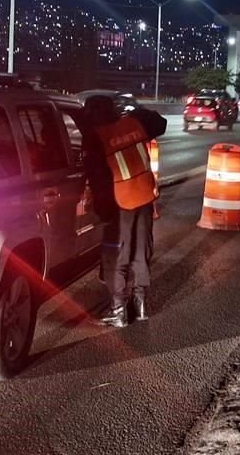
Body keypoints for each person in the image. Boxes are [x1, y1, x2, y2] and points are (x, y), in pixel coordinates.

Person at [83, 95, 166, 328]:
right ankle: (140, 306)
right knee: (141, 250)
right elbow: (160, 123)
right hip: (144, 197)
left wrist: (103, 213)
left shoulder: (95, 138)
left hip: (121, 203)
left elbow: (98, 181)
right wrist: (136, 115)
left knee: (116, 255)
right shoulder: (132, 123)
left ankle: (118, 311)